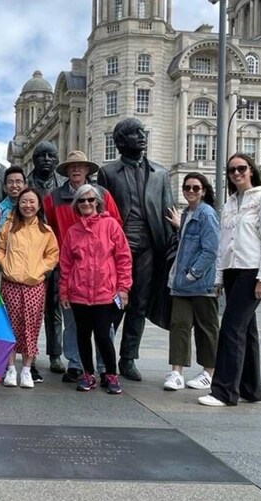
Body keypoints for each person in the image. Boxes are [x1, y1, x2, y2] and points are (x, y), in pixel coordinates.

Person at [199, 153, 261, 407]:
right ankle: (251, 388)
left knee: (231, 329)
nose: (236, 173)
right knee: (247, 331)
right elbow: (222, 246)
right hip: (233, 271)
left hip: (252, 271)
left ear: (251, 170)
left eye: (241, 169)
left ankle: (224, 392)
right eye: (231, 170)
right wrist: (218, 278)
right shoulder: (229, 204)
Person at [97, 118, 174, 382]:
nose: (142, 136)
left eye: (142, 132)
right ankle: (104, 356)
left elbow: (168, 211)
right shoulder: (107, 173)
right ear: (120, 141)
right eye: (134, 133)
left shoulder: (161, 173)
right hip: (118, 246)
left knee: (139, 304)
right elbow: (101, 212)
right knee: (114, 303)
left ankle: (128, 358)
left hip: (150, 246)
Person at [44, 150, 121, 381]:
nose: (76, 169)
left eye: (80, 165)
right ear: (66, 171)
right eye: (71, 166)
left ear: (88, 170)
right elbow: (47, 230)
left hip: (101, 274)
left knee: (103, 327)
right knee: (73, 322)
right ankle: (76, 364)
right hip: (69, 267)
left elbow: (116, 229)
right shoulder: (53, 197)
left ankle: (104, 367)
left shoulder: (103, 194)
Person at [59, 184, 132, 395]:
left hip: (104, 293)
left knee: (103, 335)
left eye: (91, 200)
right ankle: (87, 373)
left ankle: (110, 374)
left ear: (97, 203)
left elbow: (123, 258)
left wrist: (123, 288)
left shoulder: (111, 225)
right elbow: (65, 264)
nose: (87, 204)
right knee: (82, 335)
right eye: (82, 201)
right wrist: (64, 291)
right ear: (76, 205)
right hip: (79, 293)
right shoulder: (73, 232)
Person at [0, 188, 59, 389]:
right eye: (24, 202)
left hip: (34, 285)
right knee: (10, 327)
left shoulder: (45, 231)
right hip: (11, 283)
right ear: (18, 204)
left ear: (39, 205)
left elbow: (53, 255)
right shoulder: (8, 226)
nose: (28, 206)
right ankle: (11, 369)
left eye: (32, 202)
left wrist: (41, 270)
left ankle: (26, 370)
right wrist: (5, 263)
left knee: (30, 328)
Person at [164, 173, 220, 391]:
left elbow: (210, 250)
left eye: (196, 188)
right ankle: (176, 372)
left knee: (207, 329)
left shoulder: (207, 214)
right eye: (187, 187)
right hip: (180, 285)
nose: (191, 191)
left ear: (204, 191)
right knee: (179, 326)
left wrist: (193, 274)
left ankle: (209, 372)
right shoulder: (188, 213)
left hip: (201, 284)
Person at [26, 141, 66, 381]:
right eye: (42, 156)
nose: (47, 160)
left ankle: (55, 354)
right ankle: (25, 352)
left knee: (54, 308)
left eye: (51, 156)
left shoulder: (63, 186)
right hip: (30, 253)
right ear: (34, 159)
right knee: (27, 308)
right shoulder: (26, 185)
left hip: (55, 252)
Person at [0, 165, 26, 232]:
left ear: (25, 186)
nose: (14, 185)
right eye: (10, 182)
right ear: (4, 188)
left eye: (18, 181)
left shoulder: (32, 210)